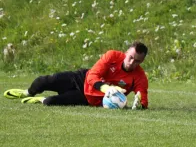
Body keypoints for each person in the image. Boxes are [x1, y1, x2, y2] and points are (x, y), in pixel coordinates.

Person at [3, 41, 149, 109]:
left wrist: (139, 104)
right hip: (80, 79)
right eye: (130, 57)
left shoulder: (140, 77)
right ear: (126, 53)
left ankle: (40, 100)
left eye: (137, 61)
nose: (132, 63)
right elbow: (92, 76)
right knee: (44, 81)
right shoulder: (111, 56)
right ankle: (27, 92)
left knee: (51, 102)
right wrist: (106, 88)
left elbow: (143, 100)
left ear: (141, 61)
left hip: (89, 99)